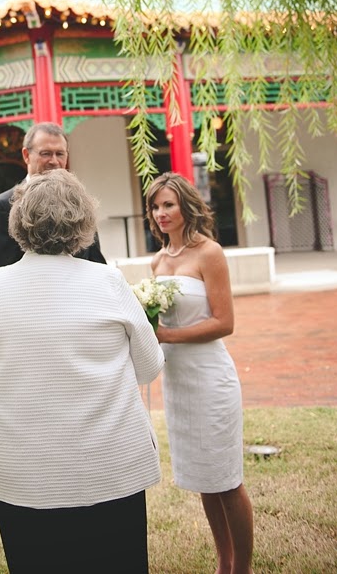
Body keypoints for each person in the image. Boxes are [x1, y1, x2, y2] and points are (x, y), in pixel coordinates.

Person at [0, 169, 164, 574]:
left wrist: (16, 380)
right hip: (108, 463)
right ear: (82, 222)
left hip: (21, 468)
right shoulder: (109, 281)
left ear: (18, 222)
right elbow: (149, 364)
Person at [146, 172, 254, 574]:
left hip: (210, 378)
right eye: (155, 206)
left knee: (226, 479)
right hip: (178, 382)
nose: (161, 213)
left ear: (186, 206)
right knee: (204, 479)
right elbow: (155, 323)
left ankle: (242, 568)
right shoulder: (158, 261)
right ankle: (223, 562)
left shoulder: (210, 253)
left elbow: (224, 323)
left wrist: (166, 335)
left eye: (168, 204)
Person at [0, 121, 106, 269]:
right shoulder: (1, 207)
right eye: (46, 153)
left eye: (60, 154)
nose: (54, 161)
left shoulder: (80, 202)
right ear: (26, 155)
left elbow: (96, 262)